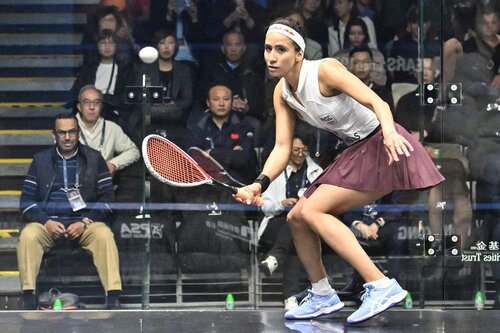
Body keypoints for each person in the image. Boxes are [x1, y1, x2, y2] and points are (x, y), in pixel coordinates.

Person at [240, 18, 444, 324]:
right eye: (268, 48)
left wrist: (389, 134)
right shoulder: (282, 93)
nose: (271, 56)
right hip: (354, 152)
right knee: (297, 217)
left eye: (280, 49)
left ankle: (380, 285)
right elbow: (282, 148)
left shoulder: (324, 70)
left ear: (299, 53)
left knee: (314, 212)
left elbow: (378, 101)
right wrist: (259, 183)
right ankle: (322, 294)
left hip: (382, 144)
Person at [17, 112, 122, 310]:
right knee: (28, 235)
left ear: (78, 133)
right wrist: (45, 222)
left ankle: (113, 296)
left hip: (84, 223)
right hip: (49, 225)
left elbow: (108, 200)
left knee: (104, 235)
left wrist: (85, 222)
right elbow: (26, 202)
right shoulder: (40, 161)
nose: (67, 137)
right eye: (62, 132)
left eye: (72, 132)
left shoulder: (94, 158)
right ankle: (28, 296)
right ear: (54, 135)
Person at [258, 133, 323, 310]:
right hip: (276, 223)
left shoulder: (316, 172)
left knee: (298, 234)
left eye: (304, 151)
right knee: (297, 233)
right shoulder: (275, 172)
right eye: (295, 150)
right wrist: (282, 203)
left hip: (304, 225)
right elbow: (265, 207)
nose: (299, 155)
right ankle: (290, 296)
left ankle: (275, 258)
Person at [128, 28, 193, 149]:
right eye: (162, 43)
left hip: (175, 119)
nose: (166, 47)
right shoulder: (145, 69)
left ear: (176, 46)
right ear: (156, 46)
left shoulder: (184, 70)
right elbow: (138, 98)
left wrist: (172, 105)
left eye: (170, 43)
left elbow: (187, 99)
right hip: (148, 120)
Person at [187, 82, 257, 185]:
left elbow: (241, 159)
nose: (221, 103)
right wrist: (230, 153)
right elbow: (194, 160)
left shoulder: (244, 128)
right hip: (204, 184)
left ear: (232, 102)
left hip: (237, 185)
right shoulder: (196, 128)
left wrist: (211, 153)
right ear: (208, 102)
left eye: (226, 99)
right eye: (216, 99)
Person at [72, 29, 137, 131]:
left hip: (116, 117)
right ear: (97, 46)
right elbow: (77, 92)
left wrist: (104, 99)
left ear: (116, 46)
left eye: (111, 43)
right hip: (88, 114)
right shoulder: (88, 70)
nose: (107, 46)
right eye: (103, 43)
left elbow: (128, 99)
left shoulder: (126, 71)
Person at [349, 45, 394, 113]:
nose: (361, 66)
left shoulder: (383, 93)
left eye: (366, 62)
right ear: (350, 66)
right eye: (356, 62)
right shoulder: (343, 92)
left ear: (372, 65)